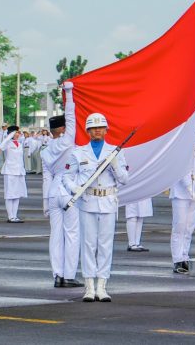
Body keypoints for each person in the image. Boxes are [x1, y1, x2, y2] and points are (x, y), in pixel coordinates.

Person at [63, 113, 129, 303]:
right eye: (93, 128)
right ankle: (89, 286)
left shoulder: (115, 152)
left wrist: (115, 164)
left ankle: (102, 286)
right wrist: (74, 188)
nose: (97, 130)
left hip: (108, 202)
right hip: (88, 201)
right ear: (88, 131)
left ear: (106, 130)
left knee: (105, 245)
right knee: (88, 244)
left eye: (100, 127)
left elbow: (124, 179)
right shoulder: (78, 152)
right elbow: (67, 175)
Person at [41, 82, 82, 288]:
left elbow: (46, 177)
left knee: (55, 235)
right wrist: (69, 92)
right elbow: (72, 114)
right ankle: (69, 274)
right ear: (64, 128)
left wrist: (45, 203)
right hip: (69, 189)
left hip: (53, 192)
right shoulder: (67, 141)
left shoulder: (45, 150)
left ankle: (57, 274)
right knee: (72, 234)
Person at [0, 125, 27, 222]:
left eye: (18, 132)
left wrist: (18, 134)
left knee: (17, 194)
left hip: (19, 171)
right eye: (17, 132)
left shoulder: (20, 143)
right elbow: (1, 147)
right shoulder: (7, 143)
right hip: (10, 171)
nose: (19, 134)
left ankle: (15, 216)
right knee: (10, 194)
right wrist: (10, 135)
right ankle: (10, 216)